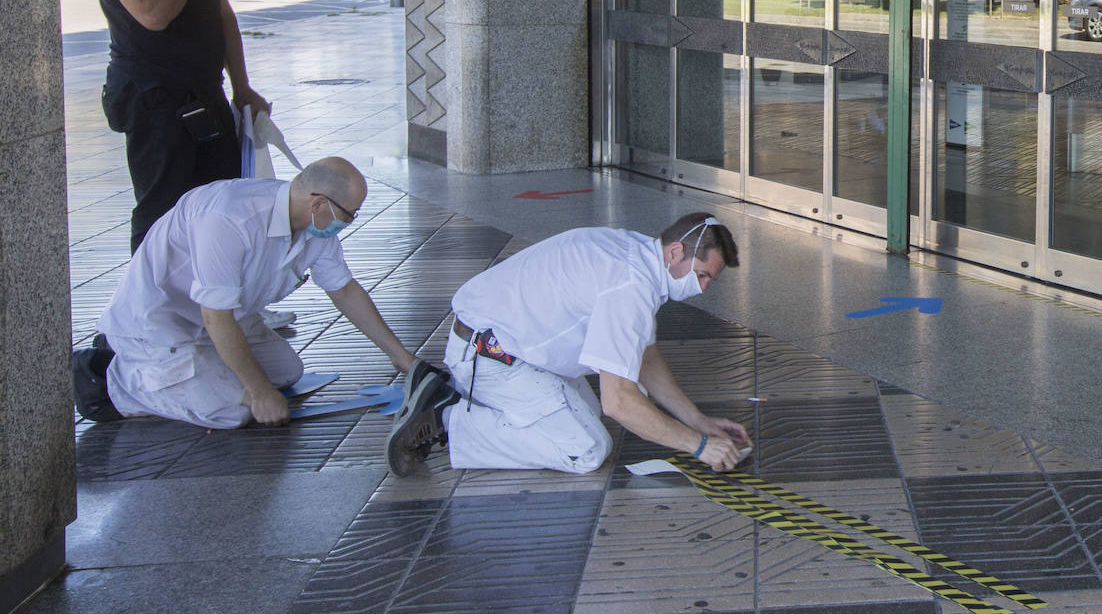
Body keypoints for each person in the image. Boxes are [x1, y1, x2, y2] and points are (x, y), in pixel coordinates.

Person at [386, 212, 753, 476]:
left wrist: (696, 419)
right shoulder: (629, 287)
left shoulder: (633, 252)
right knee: (587, 449)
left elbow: (642, 352)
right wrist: (699, 445)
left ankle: (486, 401)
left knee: (585, 416)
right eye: (702, 275)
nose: (703, 289)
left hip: (498, 341)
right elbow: (619, 402)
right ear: (676, 252)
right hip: (490, 356)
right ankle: (447, 415)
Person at [72, 158, 426, 429]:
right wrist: (258, 393)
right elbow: (216, 315)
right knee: (235, 409)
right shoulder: (228, 219)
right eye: (349, 214)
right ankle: (112, 378)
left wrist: (402, 358)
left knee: (287, 372)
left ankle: (190, 367)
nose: (349, 222)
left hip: (218, 323)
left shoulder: (315, 229)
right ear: (318, 203)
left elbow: (345, 291)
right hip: (157, 324)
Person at [94, 0, 270, 253]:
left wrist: (241, 86)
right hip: (154, 97)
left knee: (221, 202)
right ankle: (147, 313)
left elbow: (221, 13)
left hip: (205, 92)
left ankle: (217, 309)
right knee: (163, 210)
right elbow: (152, 15)